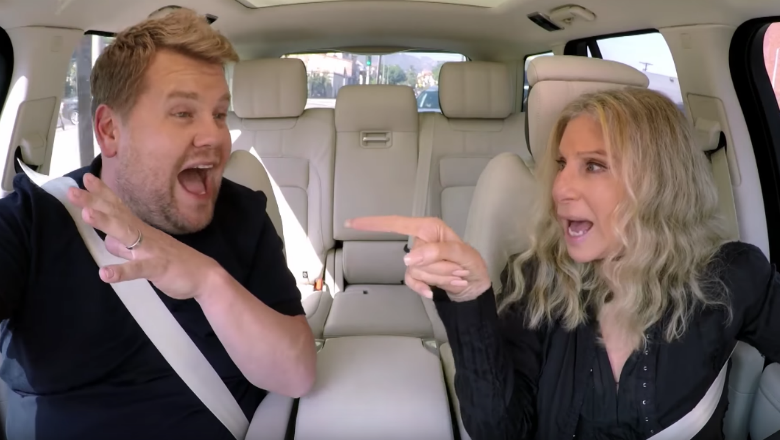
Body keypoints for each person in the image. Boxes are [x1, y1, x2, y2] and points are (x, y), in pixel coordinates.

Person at [347, 88, 780, 440]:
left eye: (593, 165)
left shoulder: (732, 277)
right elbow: (500, 430)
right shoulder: (536, 281)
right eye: (561, 165)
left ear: (658, 181)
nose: (560, 188)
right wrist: (469, 296)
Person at [0, 8, 316, 440]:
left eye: (220, 115)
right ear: (110, 130)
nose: (215, 136)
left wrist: (206, 281)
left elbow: (295, 373)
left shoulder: (242, 215)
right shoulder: (31, 222)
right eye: (183, 113)